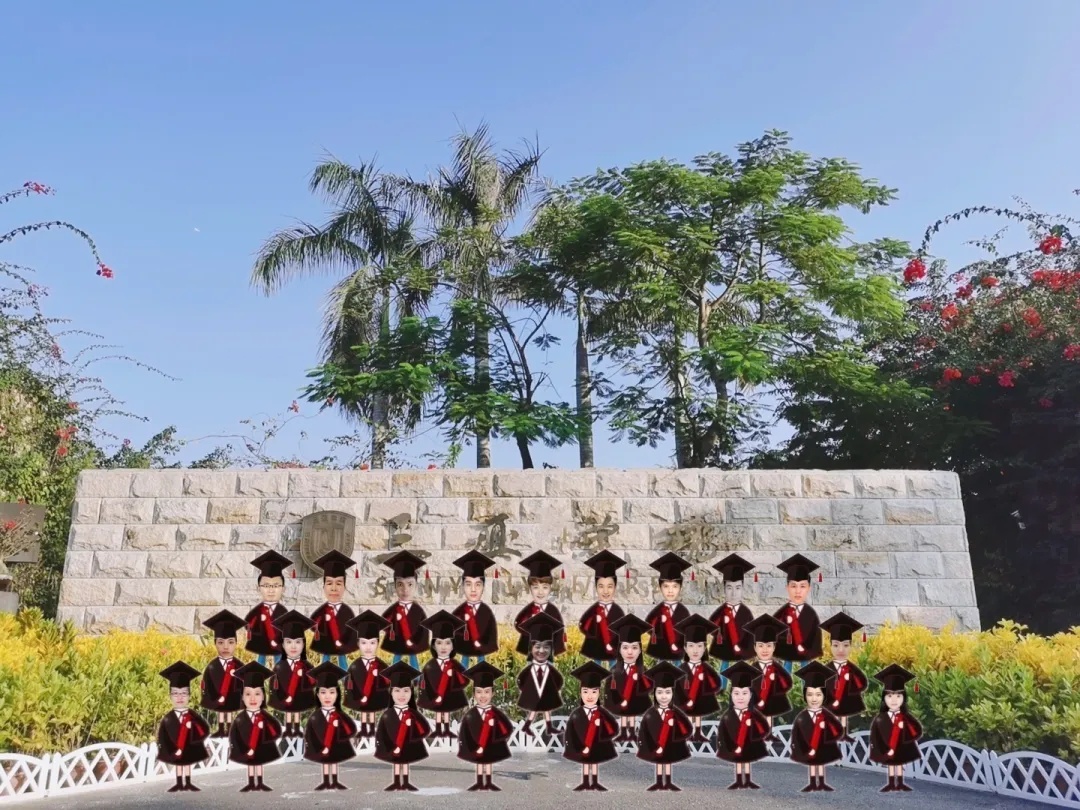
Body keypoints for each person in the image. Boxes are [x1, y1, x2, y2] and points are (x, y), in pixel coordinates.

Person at [373, 660, 431, 792]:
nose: (402, 695)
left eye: (406, 691)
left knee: (405, 761)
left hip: (408, 745)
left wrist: (413, 727)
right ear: (391, 692)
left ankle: (405, 782)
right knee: (396, 762)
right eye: (397, 691)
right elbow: (381, 733)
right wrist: (384, 746)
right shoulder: (387, 715)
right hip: (393, 746)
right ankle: (396, 781)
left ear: (411, 693)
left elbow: (425, 729)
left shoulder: (413, 714)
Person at [563, 661, 620, 792]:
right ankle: (584, 782)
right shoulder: (576, 714)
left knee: (594, 762)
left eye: (594, 692)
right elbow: (570, 733)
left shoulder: (602, 713)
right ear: (580, 693)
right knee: (585, 763)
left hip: (597, 745)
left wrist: (602, 727)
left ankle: (594, 782)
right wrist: (575, 746)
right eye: (585, 692)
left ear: (599, 693)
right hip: (582, 745)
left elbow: (614, 728)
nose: (590, 696)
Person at [457, 661, 514, 791]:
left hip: (491, 744)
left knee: (488, 761)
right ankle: (478, 782)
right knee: (479, 762)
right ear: (474, 694)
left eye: (487, 692)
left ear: (492, 694)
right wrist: (469, 745)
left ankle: (488, 782)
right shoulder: (470, 714)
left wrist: (496, 726)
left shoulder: (496, 713)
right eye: (479, 692)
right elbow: (464, 731)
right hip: (476, 745)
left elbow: (507, 728)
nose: (483, 696)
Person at [636, 662, 693, 792]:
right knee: (658, 762)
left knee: (668, 761)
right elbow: (644, 731)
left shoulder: (676, 713)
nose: (663, 696)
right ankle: (658, 782)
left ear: (672, 693)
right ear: (654, 694)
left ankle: (668, 782)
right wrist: (644, 745)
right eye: (660, 692)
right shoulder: (650, 713)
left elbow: (687, 729)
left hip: (670, 743)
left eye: (667, 692)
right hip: (655, 744)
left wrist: (675, 727)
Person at [227, 662, 282, 793]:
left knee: (259, 762)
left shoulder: (265, 717)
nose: (252, 698)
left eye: (257, 694)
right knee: (250, 764)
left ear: (263, 697)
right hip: (247, 748)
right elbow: (234, 735)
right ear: (242, 697)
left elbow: (277, 730)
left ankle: (260, 782)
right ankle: (251, 782)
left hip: (261, 747)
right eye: (248, 694)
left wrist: (266, 728)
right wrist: (239, 747)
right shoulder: (240, 719)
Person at [156, 661, 211, 792]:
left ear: (189, 696)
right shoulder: (168, 718)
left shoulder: (193, 716)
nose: (180, 697)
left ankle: (188, 782)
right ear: (170, 696)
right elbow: (163, 736)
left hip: (189, 747)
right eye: (175, 693)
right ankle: (179, 782)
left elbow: (205, 729)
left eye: (184, 693)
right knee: (179, 764)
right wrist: (169, 748)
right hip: (175, 748)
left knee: (187, 763)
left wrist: (194, 729)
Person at [715, 661, 770, 790]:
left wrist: (754, 727)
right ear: (731, 695)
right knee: (738, 761)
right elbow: (722, 732)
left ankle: (748, 780)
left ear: (751, 695)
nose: (740, 697)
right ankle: (739, 780)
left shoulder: (754, 715)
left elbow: (764, 728)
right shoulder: (728, 716)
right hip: (735, 744)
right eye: (736, 693)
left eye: (745, 693)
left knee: (748, 759)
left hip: (749, 743)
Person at [790, 661, 844, 792]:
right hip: (809, 746)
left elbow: (837, 729)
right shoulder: (802, 716)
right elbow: (797, 732)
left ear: (824, 696)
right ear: (804, 696)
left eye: (818, 694)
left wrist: (829, 729)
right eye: (810, 694)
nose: (814, 699)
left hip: (823, 745)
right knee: (812, 763)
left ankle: (822, 782)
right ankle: (812, 782)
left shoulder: (827, 715)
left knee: (821, 762)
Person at [869, 664, 923, 793]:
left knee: (899, 764)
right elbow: (875, 735)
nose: (894, 700)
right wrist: (879, 749)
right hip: (887, 748)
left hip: (901, 747)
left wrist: (905, 729)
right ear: (884, 698)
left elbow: (917, 730)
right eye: (889, 696)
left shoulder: (906, 717)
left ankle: (900, 783)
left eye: (898, 696)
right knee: (891, 765)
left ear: (904, 698)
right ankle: (891, 783)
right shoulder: (880, 718)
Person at [303, 661, 357, 791]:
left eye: (332, 692)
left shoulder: (340, 715)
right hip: (322, 745)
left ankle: (335, 780)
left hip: (336, 744)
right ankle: (326, 781)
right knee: (325, 761)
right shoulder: (315, 717)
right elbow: (309, 733)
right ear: (317, 695)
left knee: (334, 760)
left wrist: (341, 729)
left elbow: (351, 729)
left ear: (337, 694)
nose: (327, 696)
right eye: (323, 692)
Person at [602, 613, 653, 743]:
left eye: (634, 647)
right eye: (625, 647)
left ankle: (632, 732)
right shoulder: (614, 671)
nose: (630, 652)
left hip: (636, 700)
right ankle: (623, 732)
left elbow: (648, 688)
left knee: (633, 711)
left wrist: (639, 680)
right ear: (619, 650)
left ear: (640, 650)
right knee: (624, 714)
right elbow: (610, 690)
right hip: (621, 701)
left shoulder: (643, 670)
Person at [417, 610, 469, 739]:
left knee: (446, 710)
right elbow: (425, 681)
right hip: (435, 694)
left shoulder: (455, 665)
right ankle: (438, 729)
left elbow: (464, 678)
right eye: (439, 643)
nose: (443, 647)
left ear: (453, 646)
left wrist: (454, 675)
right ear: (434, 646)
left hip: (449, 694)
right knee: (438, 711)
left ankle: (446, 729)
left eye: (447, 643)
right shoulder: (430, 665)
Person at [708, 553, 756, 687]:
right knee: (724, 667)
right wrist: (721, 634)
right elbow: (711, 626)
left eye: (738, 588)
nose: (734, 593)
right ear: (724, 589)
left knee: (741, 671)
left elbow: (751, 630)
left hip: (741, 648)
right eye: (729, 588)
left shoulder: (746, 612)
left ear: (742, 589)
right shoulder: (721, 611)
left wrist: (746, 645)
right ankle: (722, 689)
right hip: (725, 646)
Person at [743, 613, 793, 742]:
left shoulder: (777, 667)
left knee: (769, 712)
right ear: (755, 648)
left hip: (771, 696)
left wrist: (777, 688)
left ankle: (769, 732)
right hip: (756, 698)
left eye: (769, 646)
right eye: (760, 646)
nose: (765, 650)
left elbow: (787, 681)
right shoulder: (753, 668)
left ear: (774, 647)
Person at [516, 611, 565, 741]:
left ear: (551, 649)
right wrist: (526, 691)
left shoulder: (550, 669)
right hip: (534, 692)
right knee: (535, 708)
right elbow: (520, 680)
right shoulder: (529, 669)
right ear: (531, 648)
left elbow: (559, 680)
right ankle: (527, 726)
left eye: (546, 647)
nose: (542, 651)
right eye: (537, 647)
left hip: (546, 691)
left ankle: (548, 727)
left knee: (546, 708)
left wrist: (556, 689)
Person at [820, 611, 869, 742]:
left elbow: (862, 683)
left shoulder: (852, 669)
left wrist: (851, 684)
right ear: (830, 646)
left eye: (846, 645)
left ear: (851, 646)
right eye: (836, 645)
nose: (841, 650)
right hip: (832, 698)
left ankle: (843, 733)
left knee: (844, 715)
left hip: (846, 697)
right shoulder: (827, 668)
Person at [267, 609, 316, 738]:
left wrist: (304, 677)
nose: (293, 646)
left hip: (300, 697)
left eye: (298, 642)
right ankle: (288, 728)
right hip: (285, 697)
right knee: (288, 711)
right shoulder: (279, 667)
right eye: (289, 642)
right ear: (283, 645)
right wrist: (280, 696)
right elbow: (274, 684)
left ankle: (297, 727)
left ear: (303, 644)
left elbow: (313, 682)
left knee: (297, 709)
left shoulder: (306, 666)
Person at [674, 614, 722, 742]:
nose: (695, 651)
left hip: (701, 696)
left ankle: (698, 732)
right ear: (685, 648)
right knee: (689, 714)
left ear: (704, 648)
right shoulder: (682, 669)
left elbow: (716, 682)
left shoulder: (706, 668)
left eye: (700, 646)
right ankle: (689, 732)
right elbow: (677, 686)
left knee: (698, 713)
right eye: (691, 646)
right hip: (687, 698)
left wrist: (707, 684)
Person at [344, 610, 391, 739]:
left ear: (378, 643)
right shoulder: (354, 666)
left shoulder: (381, 665)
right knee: (364, 710)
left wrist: (379, 680)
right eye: (364, 643)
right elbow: (350, 682)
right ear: (358, 644)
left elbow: (388, 681)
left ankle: (372, 728)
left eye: (372, 643)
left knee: (373, 709)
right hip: (361, 696)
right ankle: (364, 728)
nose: (368, 647)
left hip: (375, 695)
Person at [772, 553, 824, 673]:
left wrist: (808, 647)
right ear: (787, 588)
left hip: (804, 652)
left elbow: (815, 634)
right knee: (786, 669)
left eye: (802, 586)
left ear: (809, 588)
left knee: (806, 670)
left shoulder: (811, 614)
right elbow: (774, 630)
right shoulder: (782, 613)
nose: (798, 591)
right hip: (788, 651)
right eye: (793, 586)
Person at [199, 610, 246, 738]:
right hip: (218, 696)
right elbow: (207, 683)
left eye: (230, 642)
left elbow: (244, 683)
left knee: (229, 710)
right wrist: (212, 696)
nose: (225, 647)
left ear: (236, 643)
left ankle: (229, 728)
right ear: (215, 643)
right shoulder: (212, 666)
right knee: (220, 710)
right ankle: (220, 729)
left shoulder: (239, 666)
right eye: (220, 642)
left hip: (233, 696)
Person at [309, 550, 358, 669]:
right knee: (325, 661)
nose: (334, 588)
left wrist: (347, 641)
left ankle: (345, 677)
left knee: (343, 662)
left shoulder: (347, 611)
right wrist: (320, 628)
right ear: (324, 587)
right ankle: (322, 675)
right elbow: (312, 623)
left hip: (341, 643)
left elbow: (352, 628)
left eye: (339, 584)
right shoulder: (322, 610)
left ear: (345, 587)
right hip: (326, 642)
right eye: (329, 583)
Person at [380, 550, 429, 669]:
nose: (405, 589)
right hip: (398, 641)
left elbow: (424, 628)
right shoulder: (394, 609)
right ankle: (392, 676)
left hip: (412, 643)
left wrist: (418, 641)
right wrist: (391, 631)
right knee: (396, 660)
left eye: (410, 584)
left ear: (416, 585)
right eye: (400, 584)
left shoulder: (418, 610)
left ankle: (417, 679)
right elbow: (383, 622)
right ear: (395, 586)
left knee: (414, 662)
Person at [451, 550, 499, 669]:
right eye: (468, 584)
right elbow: (452, 630)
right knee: (464, 666)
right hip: (465, 648)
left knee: (481, 665)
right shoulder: (459, 612)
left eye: (478, 584)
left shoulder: (486, 611)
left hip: (481, 648)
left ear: (483, 587)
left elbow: (491, 632)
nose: (473, 589)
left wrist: (484, 643)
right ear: (463, 586)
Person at [513, 550, 566, 658]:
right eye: (536, 587)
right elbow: (518, 623)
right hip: (528, 651)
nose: (540, 592)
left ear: (550, 588)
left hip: (548, 652)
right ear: (530, 588)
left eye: (545, 587)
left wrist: (557, 651)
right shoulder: (529, 610)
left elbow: (559, 631)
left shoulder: (553, 611)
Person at [579, 550, 627, 668]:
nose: (605, 591)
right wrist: (593, 626)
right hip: (596, 647)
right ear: (596, 587)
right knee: (596, 670)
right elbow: (583, 625)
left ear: (615, 587)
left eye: (610, 586)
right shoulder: (593, 610)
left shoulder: (618, 611)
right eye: (601, 586)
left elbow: (622, 629)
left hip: (613, 647)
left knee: (614, 669)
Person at [244, 550, 292, 667]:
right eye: (266, 585)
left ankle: (279, 674)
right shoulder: (257, 610)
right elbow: (248, 623)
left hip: (278, 642)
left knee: (279, 662)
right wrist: (254, 630)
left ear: (283, 589)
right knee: (261, 661)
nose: (271, 590)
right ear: (258, 588)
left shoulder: (282, 611)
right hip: (262, 641)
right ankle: (259, 675)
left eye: (276, 585)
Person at [644, 553, 692, 661]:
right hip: (661, 649)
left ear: (680, 588)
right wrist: (659, 626)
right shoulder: (658, 610)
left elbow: (687, 631)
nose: (670, 591)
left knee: (679, 670)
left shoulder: (683, 611)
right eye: (666, 586)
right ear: (660, 587)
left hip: (678, 650)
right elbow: (648, 625)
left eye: (675, 586)